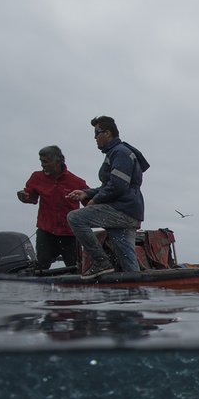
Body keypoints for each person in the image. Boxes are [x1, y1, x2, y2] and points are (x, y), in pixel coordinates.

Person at [65, 116, 150, 279]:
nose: (95, 138)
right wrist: (87, 193)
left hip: (122, 209)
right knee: (129, 265)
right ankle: (137, 291)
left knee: (75, 218)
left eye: (97, 133)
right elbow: (109, 186)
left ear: (108, 133)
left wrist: (94, 201)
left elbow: (118, 185)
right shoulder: (116, 153)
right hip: (128, 211)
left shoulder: (120, 152)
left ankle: (101, 262)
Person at [16, 145, 89, 270]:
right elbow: (31, 198)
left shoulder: (77, 182)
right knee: (41, 267)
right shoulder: (36, 177)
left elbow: (89, 203)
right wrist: (24, 197)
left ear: (58, 161)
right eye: (41, 161)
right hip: (46, 232)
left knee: (75, 269)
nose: (42, 165)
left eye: (45, 161)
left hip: (70, 234)